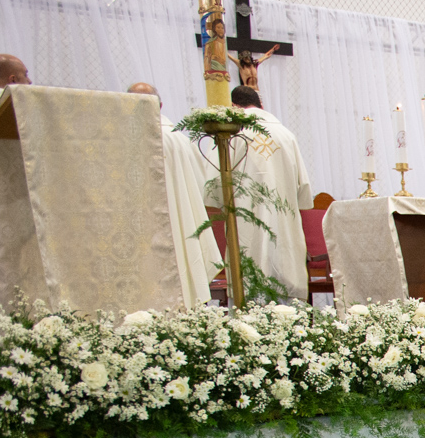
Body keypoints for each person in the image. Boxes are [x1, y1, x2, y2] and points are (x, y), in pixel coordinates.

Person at [126, 83, 222, 311]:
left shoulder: (127, 138)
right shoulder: (178, 138)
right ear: (159, 105)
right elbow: (202, 186)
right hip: (180, 222)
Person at [219, 84, 313, 302]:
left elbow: (214, 188)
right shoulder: (286, 135)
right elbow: (304, 189)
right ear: (261, 105)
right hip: (283, 219)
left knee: (249, 268)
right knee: (284, 266)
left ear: (234, 106)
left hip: (245, 217)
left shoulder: (232, 134)